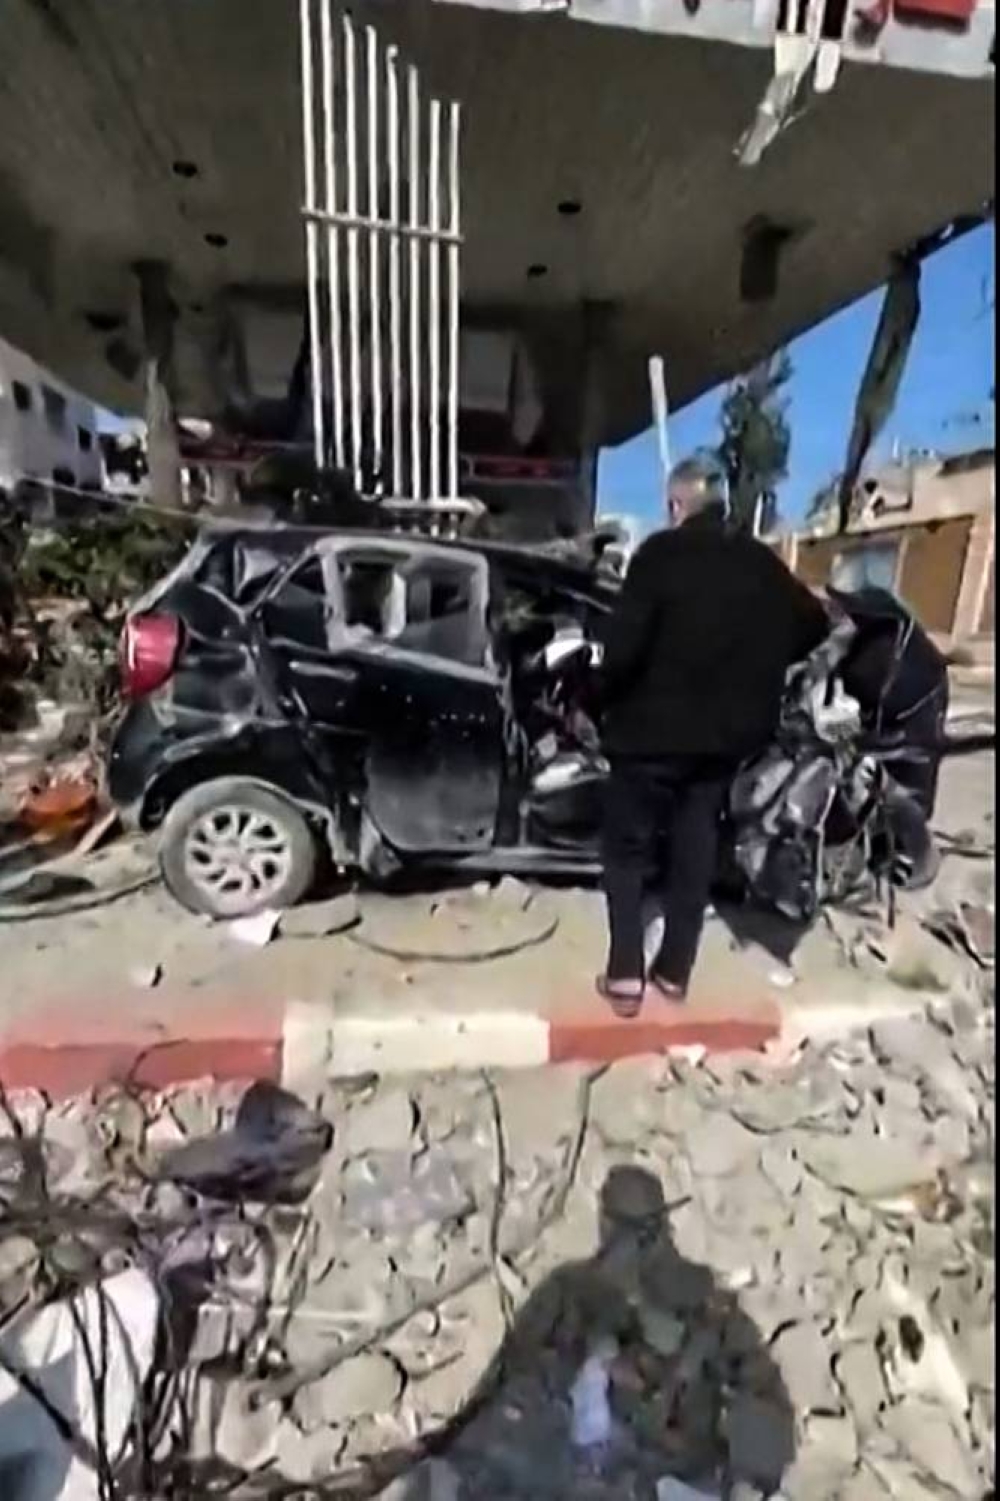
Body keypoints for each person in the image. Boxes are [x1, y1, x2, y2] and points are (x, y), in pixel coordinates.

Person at [597, 456, 829, 1015]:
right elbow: (815, 625)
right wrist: (759, 664)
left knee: (627, 848)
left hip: (649, 736)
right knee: (695, 843)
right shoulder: (760, 563)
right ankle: (674, 972)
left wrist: (602, 694)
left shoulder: (657, 555)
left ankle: (626, 974)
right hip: (725, 741)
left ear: (677, 504)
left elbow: (623, 649)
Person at [816, 584, 950, 819]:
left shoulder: (892, 652)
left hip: (904, 731)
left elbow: (869, 706)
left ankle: (904, 842)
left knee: (907, 799)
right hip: (882, 723)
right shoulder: (868, 639)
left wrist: (847, 732)